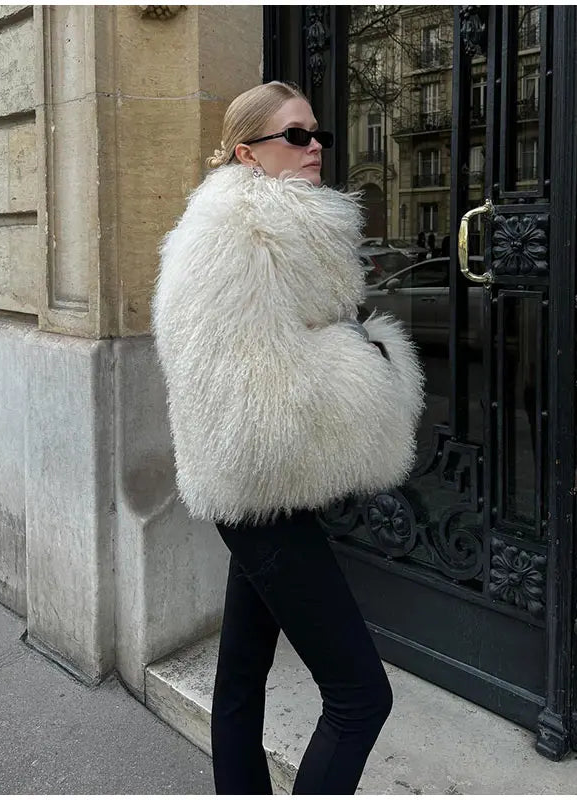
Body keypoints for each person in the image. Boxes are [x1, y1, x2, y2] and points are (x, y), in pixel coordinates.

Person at [151, 81, 424, 795]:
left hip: (259, 485)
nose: (316, 148)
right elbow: (252, 393)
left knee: (241, 676)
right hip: (256, 483)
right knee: (362, 696)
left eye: (318, 133)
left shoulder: (264, 225)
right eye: (295, 136)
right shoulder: (243, 234)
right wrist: (368, 362)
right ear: (248, 151)